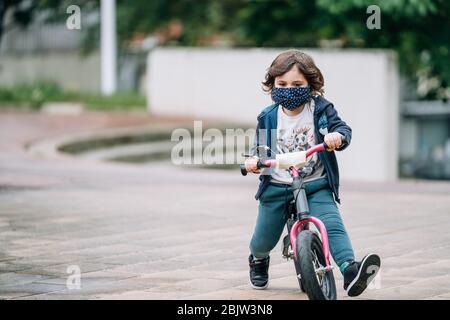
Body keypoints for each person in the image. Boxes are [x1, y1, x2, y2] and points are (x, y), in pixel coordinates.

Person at [245, 49, 380, 297]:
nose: (288, 89)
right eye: (282, 84)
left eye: (297, 84)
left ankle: (350, 271)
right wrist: (254, 160)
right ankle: (258, 258)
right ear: (272, 84)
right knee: (263, 238)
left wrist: (337, 136)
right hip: (277, 187)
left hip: (315, 183)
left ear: (310, 84)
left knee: (332, 224)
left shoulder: (320, 108)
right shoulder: (268, 116)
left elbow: (342, 128)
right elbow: (260, 148)